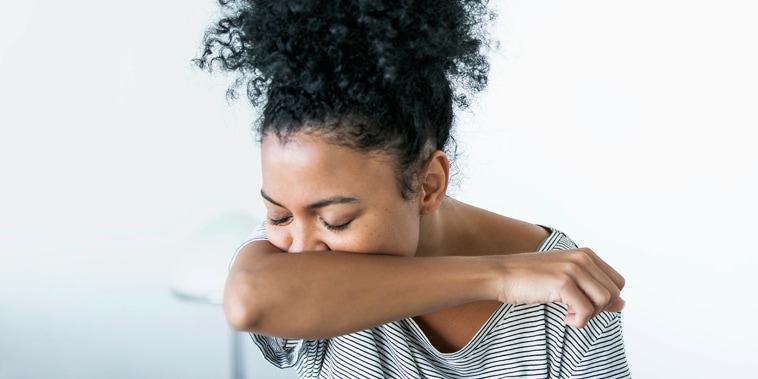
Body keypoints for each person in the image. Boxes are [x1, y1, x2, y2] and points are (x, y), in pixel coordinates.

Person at [196, 0, 630, 377]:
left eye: (335, 221)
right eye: (279, 215)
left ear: (427, 185)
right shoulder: (286, 263)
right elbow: (248, 301)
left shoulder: (562, 291)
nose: (299, 249)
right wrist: (501, 276)